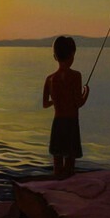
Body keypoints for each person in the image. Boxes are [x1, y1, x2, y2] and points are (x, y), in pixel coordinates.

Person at [42, 35, 90, 180]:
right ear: (72, 55)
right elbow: (78, 103)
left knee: (57, 164)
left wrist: (55, 101)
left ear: (55, 56)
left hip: (57, 124)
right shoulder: (76, 76)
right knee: (70, 165)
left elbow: (45, 104)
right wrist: (86, 93)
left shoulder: (49, 79)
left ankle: (56, 185)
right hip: (71, 124)